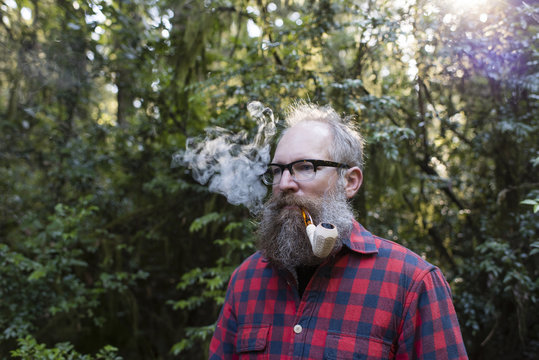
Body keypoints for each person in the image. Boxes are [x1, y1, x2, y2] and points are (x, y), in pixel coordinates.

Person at [209, 102, 468, 359]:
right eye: (277, 171)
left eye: (306, 167)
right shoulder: (246, 279)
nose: (284, 183)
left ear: (350, 182)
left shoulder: (412, 282)